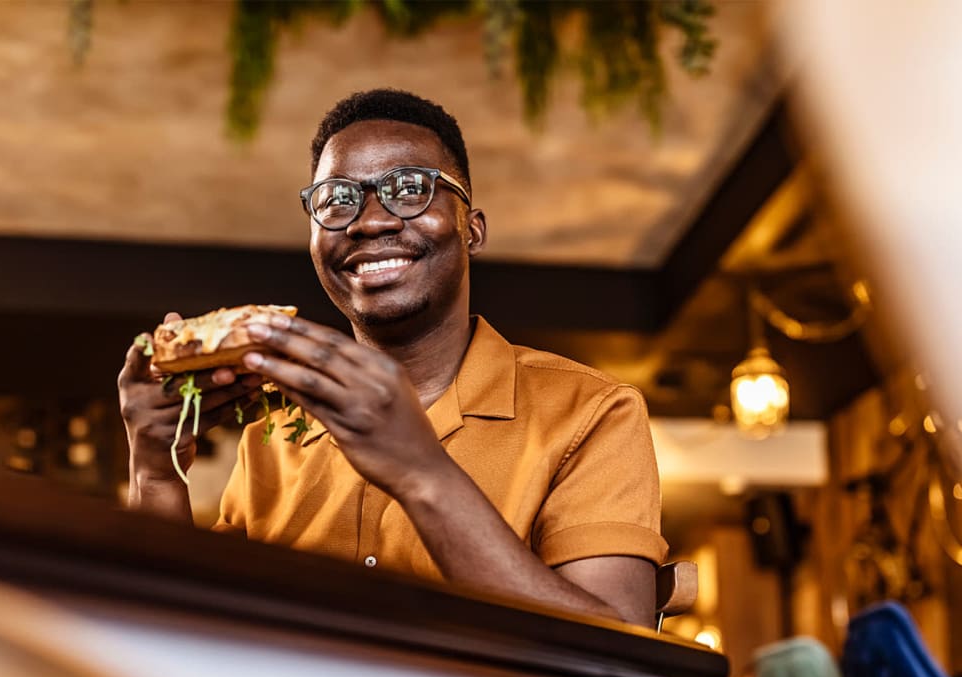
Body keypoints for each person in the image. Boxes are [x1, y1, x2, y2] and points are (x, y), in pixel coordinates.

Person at [119, 88, 667, 628]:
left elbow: (622, 646)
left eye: (409, 190)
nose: (368, 221)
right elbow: (191, 640)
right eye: (337, 198)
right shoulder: (275, 435)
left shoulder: (593, 411)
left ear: (470, 229)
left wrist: (420, 471)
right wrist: (156, 473)